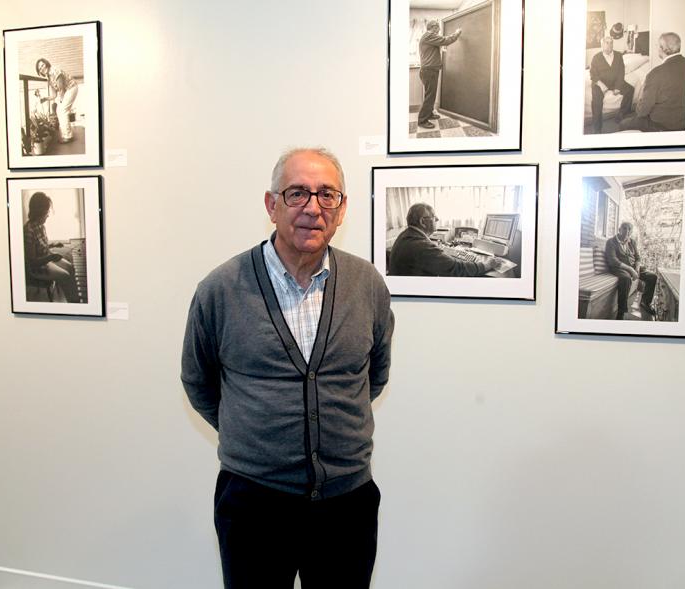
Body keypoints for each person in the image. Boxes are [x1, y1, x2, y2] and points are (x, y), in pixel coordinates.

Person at [181, 147, 394, 589]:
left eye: (327, 195)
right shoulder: (221, 288)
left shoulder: (367, 284)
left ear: (342, 208)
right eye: (297, 193)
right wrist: (252, 434)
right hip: (254, 503)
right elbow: (198, 380)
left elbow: (373, 375)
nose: (313, 208)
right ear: (271, 204)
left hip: (346, 502)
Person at [388, 203, 497, 277]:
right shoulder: (422, 246)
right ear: (422, 222)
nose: (438, 219)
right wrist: (487, 265)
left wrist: (440, 252)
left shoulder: (405, 235)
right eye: (434, 217)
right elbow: (457, 269)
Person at [619, 32, 685, 132]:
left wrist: (641, 95)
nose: (657, 48)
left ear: (663, 48)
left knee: (623, 124)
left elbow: (642, 111)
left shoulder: (655, 74)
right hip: (684, 123)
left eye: (657, 45)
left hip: (661, 125)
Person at [23, 192, 80, 303]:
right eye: (46, 211)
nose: (48, 214)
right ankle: (74, 305)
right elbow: (33, 262)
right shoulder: (28, 230)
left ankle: (75, 300)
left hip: (46, 259)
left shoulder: (40, 225)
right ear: (39, 211)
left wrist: (53, 245)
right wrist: (51, 257)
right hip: (37, 268)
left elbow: (40, 246)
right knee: (65, 276)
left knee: (71, 267)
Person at [604, 221, 658, 320]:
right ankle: (621, 312)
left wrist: (637, 268)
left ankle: (645, 302)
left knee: (652, 276)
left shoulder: (632, 242)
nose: (627, 231)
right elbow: (613, 260)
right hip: (619, 268)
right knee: (625, 278)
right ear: (619, 229)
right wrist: (630, 269)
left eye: (629, 229)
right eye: (624, 228)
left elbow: (638, 257)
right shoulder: (611, 242)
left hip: (633, 267)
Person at [417, 20, 461, 130]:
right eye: (438, 27)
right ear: (433, 27)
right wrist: (457, 33)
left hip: (430, 71)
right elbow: (446, 40)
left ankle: (429, 114)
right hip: (429, 71)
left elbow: (440, 44)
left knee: (431, 95)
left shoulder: (428, 37)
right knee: (430, 96)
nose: (439, 30)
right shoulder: (429, 36)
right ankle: (422, 120)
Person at [589, 36, 634, 134]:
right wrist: (601, 85)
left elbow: (621, 72)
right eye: (606, 43)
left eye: (611, 43)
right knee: (596, 100)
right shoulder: (596, 57)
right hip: (600, 82)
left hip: (614, 82)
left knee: (630, 90)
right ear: (602, 45)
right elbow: (593, 74)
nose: (609, 45)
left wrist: (618, 86)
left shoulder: (618, 55)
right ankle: (597, 128)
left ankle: (621, 115)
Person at [35, 58, 79, 142]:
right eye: (40, 68)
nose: (42, 68)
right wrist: (45, 99)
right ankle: (66, 134)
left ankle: (68, 136)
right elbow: (54, 95)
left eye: (42, 65)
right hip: (67, 90)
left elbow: (61, 88)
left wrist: (61, 100)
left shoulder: (54, 71)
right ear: (39, 71)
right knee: (59, 110)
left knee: (62, 110)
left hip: (71, 87)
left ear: (46, 64)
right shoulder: (49, 78)